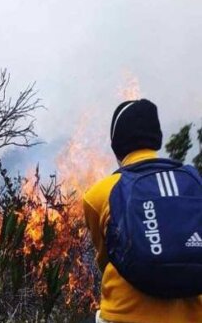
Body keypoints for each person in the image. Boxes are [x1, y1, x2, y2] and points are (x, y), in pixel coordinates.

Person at [84, 99, 202, 323]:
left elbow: (106, 260)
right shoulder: (193, 181)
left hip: (124, 315)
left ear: (116, 144)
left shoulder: (98, 194)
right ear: (156, 138)